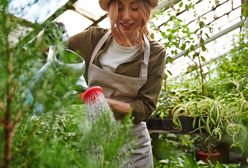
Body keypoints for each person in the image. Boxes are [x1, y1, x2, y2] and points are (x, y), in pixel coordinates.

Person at [67, 0, 165, 167]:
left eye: (134, 8)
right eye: (119, 8)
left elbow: (145, 108)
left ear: (145, 11)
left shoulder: (155, 53)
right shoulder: (93, 39)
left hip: (132, 144)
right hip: (93, 137)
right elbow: (54, 50)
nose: (126, 16)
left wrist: (103, 102)